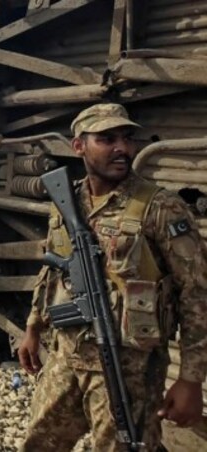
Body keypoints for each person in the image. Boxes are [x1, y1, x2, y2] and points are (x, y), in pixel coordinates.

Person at [18, 104, 207, 451]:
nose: (122, 147)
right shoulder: (68, 200)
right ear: (79, 146)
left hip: (129, 370)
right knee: (38, 444)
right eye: (106, 138)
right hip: (67, 357)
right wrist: (33, 326)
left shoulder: (160, 207)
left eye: (127, 138)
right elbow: (53, 268)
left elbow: (198, 293)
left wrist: (191, 379)